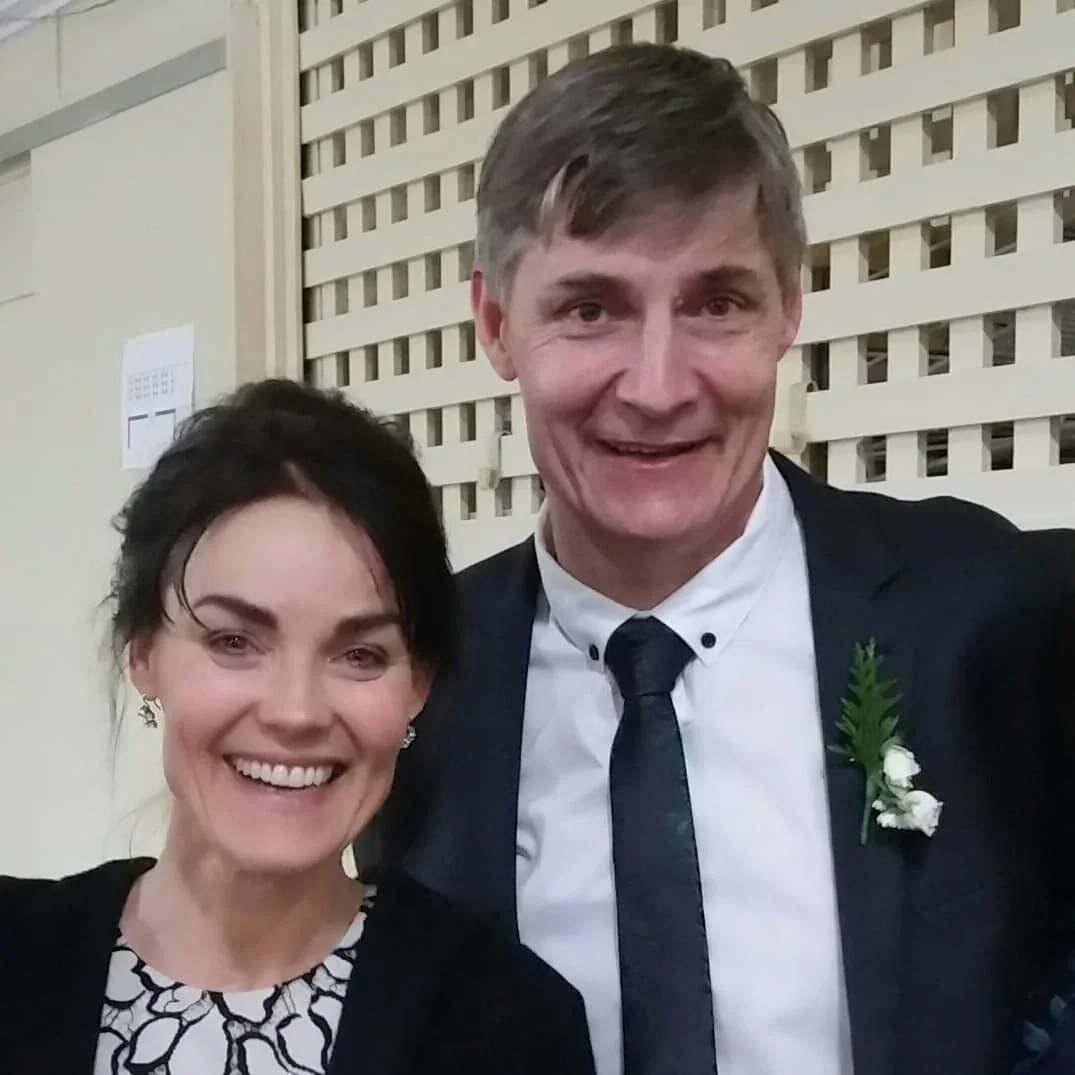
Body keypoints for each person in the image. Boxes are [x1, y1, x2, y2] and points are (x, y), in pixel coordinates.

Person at [360, 43, 1075, 1075]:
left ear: (789, 306)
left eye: (716, 303)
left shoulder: (995, 614)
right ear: (495, 322)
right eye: (590, 308)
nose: (656, 387)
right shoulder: (417, 681)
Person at [0, 380, 595, 1075]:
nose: (296, 711)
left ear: (418, 684)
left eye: (360, 654)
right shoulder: (17, 958)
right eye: (233, 642)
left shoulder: (508, 1020)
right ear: (143, 653)